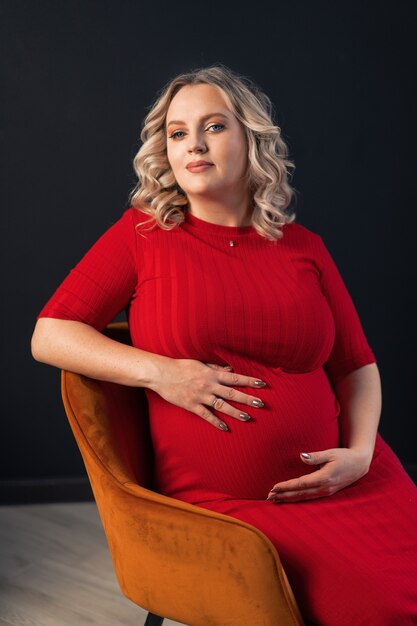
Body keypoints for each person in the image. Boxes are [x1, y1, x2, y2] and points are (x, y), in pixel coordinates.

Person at [31, 64, 417, 625]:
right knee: (379, 607)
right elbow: (51, 333)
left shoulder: (302, 248)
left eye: (213, 126)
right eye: (178, 132)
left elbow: (357, 365)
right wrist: (162, 373)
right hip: (232, 511)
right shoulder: (143, 235)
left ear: (251, 138)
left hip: (352, 480)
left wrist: (359, 454)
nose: (194, 144)